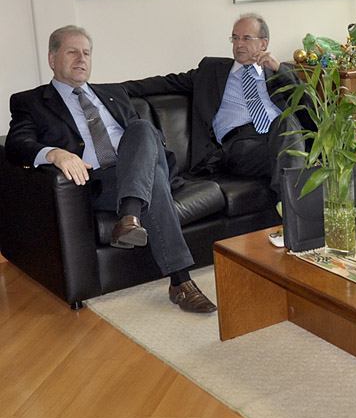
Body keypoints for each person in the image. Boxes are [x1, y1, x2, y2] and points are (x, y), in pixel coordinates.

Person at [6, 26, 216, 313]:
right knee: (151, 182)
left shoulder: (113, 92)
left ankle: (129, 217)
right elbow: (16, 144)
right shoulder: (30, 102)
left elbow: (150, 126)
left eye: (87, 53)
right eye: (72, 52)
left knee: (142, 127)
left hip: (142, 166)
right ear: (52, 59)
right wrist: (54, 154)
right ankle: (180, 281)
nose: (81, 58)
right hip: (102, 181)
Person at [122, 13, 304, 192]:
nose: (239, 44)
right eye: (235, 38)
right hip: (238, 146)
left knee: (287, 124)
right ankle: (296, 207)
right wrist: (108, 91)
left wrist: (281, 70)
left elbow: (309, 108)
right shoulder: (211, 71)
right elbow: (164, 83)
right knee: (295, 156)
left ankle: (289, 206)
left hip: (278, 137)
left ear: (263, 43)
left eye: (246, 38)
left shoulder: (278, 73)